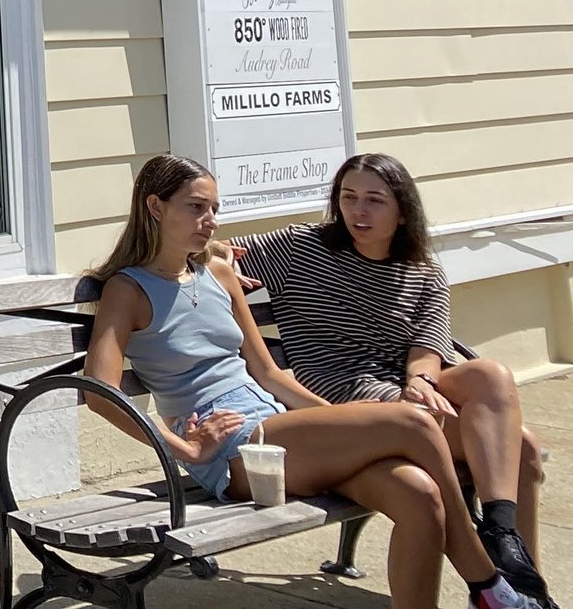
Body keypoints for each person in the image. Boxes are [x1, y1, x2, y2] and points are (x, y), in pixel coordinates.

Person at [83, 154, 539, 609]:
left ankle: (491, 584)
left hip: (280, 428)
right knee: (414, 424)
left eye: (215, 209)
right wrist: (183, 448)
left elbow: (268, 374)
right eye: (196, 208)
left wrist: (339, 422)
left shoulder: (217, 274)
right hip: (232, 448)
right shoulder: (129, 289)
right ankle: (492, 586)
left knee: (420, 496)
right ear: (156, 207)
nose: (210, 222)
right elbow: (99, 392)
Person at [227, 154, 552, 605]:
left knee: (490, 375)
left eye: (374, 200)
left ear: (402, 209)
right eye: (348, 198)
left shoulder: (423, 270)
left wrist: (420, 380)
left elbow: (428, 346)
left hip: (402, 392)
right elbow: (214, 251)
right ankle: (521, 591)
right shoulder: (300, 247)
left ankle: (504, 539)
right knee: (524, 448)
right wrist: (220, 258)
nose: (358, 211)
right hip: (340, 399)